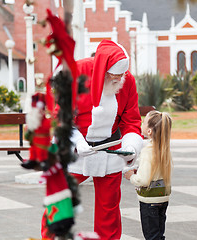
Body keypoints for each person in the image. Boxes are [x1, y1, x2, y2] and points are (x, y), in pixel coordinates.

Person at [41, 39, 143, 240]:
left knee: (109, 210)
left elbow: (131, 120)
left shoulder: (127, 80)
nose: (119, 79)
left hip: (110, 148)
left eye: (122, 75)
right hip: (76, 146)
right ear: (103, 70)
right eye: (114, 76)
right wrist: (77, 142)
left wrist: (131, 146)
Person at [124, 110, 172, 240]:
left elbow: (144, 180)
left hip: (149, 201)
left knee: (151, 236)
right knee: (159, 235)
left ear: (149, 131)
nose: (141, 123)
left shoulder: (148, 151)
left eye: (144, 122)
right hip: (162, 199)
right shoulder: (164, 150)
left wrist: (131, 177)